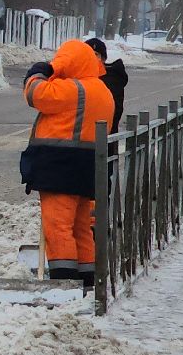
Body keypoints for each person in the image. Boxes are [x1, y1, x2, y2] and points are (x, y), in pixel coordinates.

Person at [23, 39, 117, 291]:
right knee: (81, 227)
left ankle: (63, 281)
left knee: (58, 227)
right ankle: (88, 278)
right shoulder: (102, 90)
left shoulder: (72, 89)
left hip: (60, 168)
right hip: (87, 168)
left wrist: (39, 72)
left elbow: (35, 94)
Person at [86, 37, 129, 117]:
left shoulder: (112, 79)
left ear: (103, 59)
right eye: (88, 54)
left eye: (95, 54)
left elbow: (115, 109)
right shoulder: (76, 75)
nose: (91, 57)